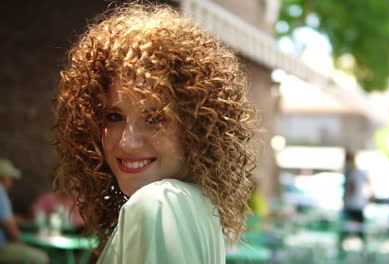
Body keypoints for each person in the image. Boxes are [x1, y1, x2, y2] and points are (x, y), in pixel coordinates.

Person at [54, 3, 256, 263]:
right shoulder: (197, 205)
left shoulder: (158, 204)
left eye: (155, 118)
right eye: (114, 117)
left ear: (197, 126)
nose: (127, 142)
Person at [0, 159, 49, 264]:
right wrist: (21, 244)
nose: (12, 183)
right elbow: (9, 226)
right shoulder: (0, 192)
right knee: (41, 258)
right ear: (3, 177)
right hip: (1, 247)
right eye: (10, 179)